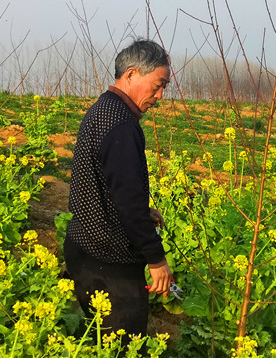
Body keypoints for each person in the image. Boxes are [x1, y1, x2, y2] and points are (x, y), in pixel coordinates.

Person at [64, 38, 173, 336]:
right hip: (109, 261)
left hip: (85, 249)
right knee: (124, 346)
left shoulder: (103, 108)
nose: (160, 96)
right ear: (132, 74)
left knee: (99, 342)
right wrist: (156, 259)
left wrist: (142, 212)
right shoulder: (121, 124)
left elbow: (105, 182)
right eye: (158, 85)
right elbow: (128, 199)